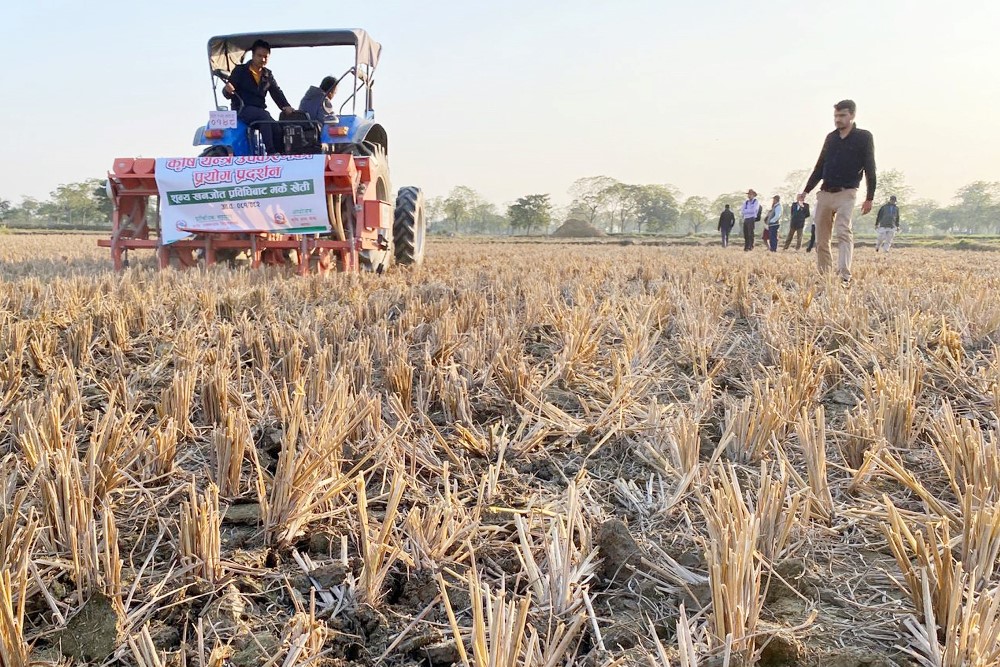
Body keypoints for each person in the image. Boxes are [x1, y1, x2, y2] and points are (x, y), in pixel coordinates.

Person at [800, 99, 876, 285]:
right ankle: (824, 276)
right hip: (825, 192)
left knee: (843, 231)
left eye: (842, 115)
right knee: (821, 238)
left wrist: (869, 197)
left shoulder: (864, 137)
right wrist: (806, 191)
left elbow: (870, 168)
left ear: (852, 115)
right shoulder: (831, 138)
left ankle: (844, 275)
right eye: (836, 116)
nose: (838, 119)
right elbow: (819, 167)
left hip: (847, 193)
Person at [223, 39, 296, 154]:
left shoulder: (268, 74)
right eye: (259, 55)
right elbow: (228, 90)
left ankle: (281, 155)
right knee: (264, 116)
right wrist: (227, 90)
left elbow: (276, 92)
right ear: (253, 55)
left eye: (265, 57)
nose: (262, 59)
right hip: (242, 109)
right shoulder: (240, 70)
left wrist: (286, 106)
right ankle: (271, 152)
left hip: (259, 111)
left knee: (276, 127)